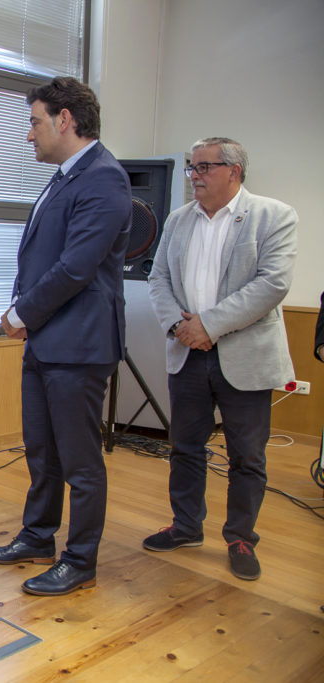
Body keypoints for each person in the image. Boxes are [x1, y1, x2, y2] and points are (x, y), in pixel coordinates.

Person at [0, 77, 132, 596]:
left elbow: (76, 267)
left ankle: (81, 560)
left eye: (35, 121)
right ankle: (38, 535)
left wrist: (21, 313)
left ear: (65, 119)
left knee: (81, 463)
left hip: (80, 345)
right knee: (42, 451)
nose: (29, 134)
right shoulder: (65, 176)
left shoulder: (105, 178)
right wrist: (29, 318)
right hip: (48, 339)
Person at [144, 137, 297, 581]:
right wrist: (180, 327)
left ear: (234, 171)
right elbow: (158, 279)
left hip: (244, 355)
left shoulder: (274, 216)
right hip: (187, 353)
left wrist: (207, 326)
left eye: (205, 167)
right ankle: (187, 526)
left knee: (247, 456)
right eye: (192, 167)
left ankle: (240, 537)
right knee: (184, 448)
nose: (195, 175)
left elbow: (272, 284)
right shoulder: (177, 220)